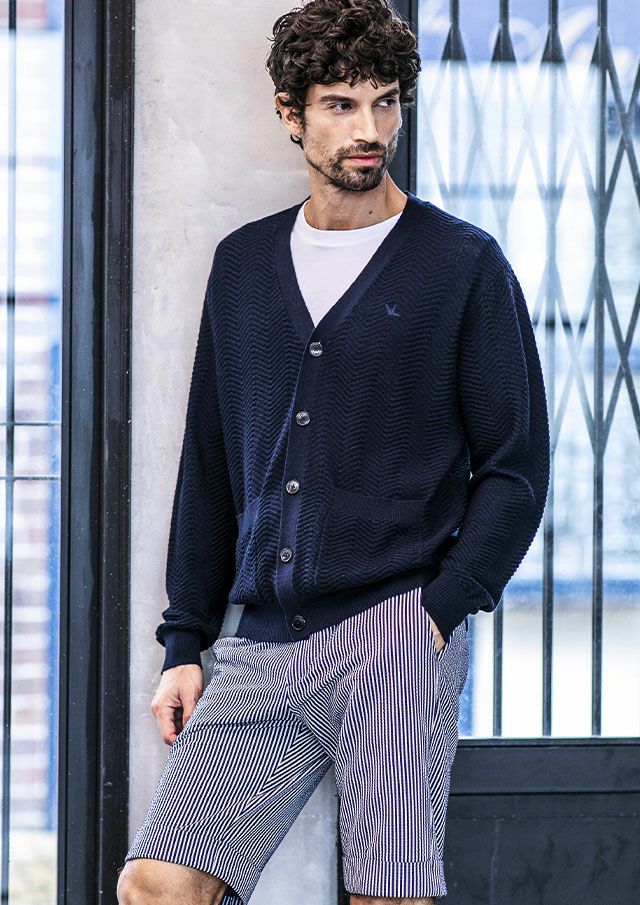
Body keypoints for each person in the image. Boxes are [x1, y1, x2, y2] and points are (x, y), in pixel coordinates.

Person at [117, 1, 550, 903]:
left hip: (399, 632)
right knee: (157, 884)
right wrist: (186, 639)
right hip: (263, 646)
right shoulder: (244, 267)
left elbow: (515, 466)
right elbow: (211, 467)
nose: (370, 130)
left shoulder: (462, 264)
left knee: (388, 895)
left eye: (385, 103)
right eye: (342, 105)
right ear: (290, 112)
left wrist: (440, 612)